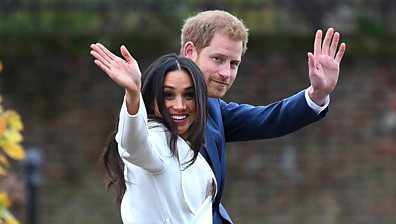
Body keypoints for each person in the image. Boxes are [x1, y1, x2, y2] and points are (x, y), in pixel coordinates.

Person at [178, 10, 346, 223]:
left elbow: (268, 119)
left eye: (233, 64)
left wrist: (317, 93)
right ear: (190, 51)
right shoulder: (150, 108)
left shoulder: (213, 108)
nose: (226, 73)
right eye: (218, 59)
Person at [90, 44, 216, 223]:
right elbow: (134, 145)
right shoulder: (156, 139)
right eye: (168, 95)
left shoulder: (186, 148)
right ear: (151, 98)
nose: (180, 105)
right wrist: (133, 94)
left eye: (189, 95)